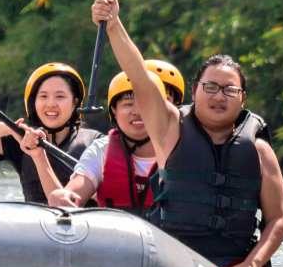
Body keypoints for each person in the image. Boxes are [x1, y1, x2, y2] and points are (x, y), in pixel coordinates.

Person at [86, 0, 283, 267]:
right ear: (195, 91)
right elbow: (139, 74)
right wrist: (113, 25)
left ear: (242, 99)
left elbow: (279, 221)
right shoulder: (169, 129)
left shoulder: (258, 150)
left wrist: (253, 265)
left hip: (237, 260)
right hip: (177, 257)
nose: (219, 96)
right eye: (210, 87)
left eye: (229, 90)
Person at [49, 64, 183, 212]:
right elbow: (76, 189)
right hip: (116, 226)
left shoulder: (186, 148)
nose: (137, 112)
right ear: (114, 110)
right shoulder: (101, 150)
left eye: (145, 104)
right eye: (128, 104)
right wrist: (63, 196)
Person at [0, 62, 101, 205]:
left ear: (75, 102)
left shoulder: (96, 144)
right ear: (33, 102)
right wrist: (11, 128)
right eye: (43, 96)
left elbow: (65, 207)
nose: (51, 104)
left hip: (79, 216)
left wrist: (39, 155)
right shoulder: (22, 140)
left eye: (60, 96)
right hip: (34, 218)